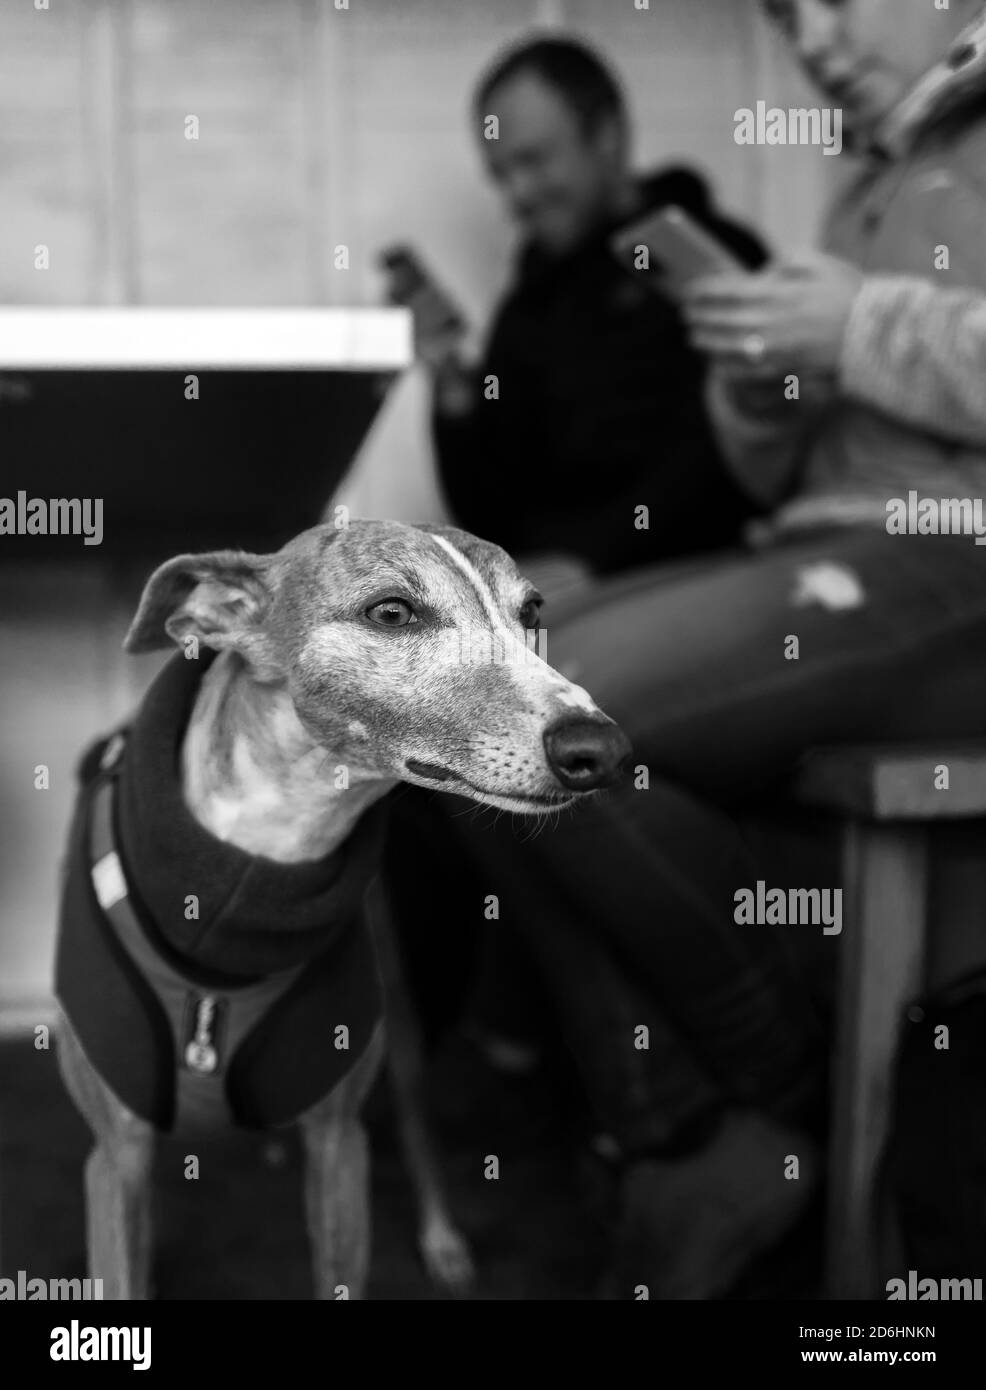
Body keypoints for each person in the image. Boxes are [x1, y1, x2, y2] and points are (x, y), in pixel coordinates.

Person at [381, 0, 986, 1299]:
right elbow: (782, 450)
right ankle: (682, 1131)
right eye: (788, 16)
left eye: (835, 6)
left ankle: (783, 1108)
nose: (810, 38)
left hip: (951, 552)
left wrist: (858, 328)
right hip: (824, 535)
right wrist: (766, 391)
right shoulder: (873, 165)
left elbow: (848, 375)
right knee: (477, 708)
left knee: (538, 711)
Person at [402, 35, 767, 575]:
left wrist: (588, 563)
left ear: (607, 136)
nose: (518, 193)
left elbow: (730, 461)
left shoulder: (714, 258)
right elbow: (487, 514)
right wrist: (454, 393)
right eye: (500, 174)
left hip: (678, 577)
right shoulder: (526, 306)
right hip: (545, 593)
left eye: (533, 160)